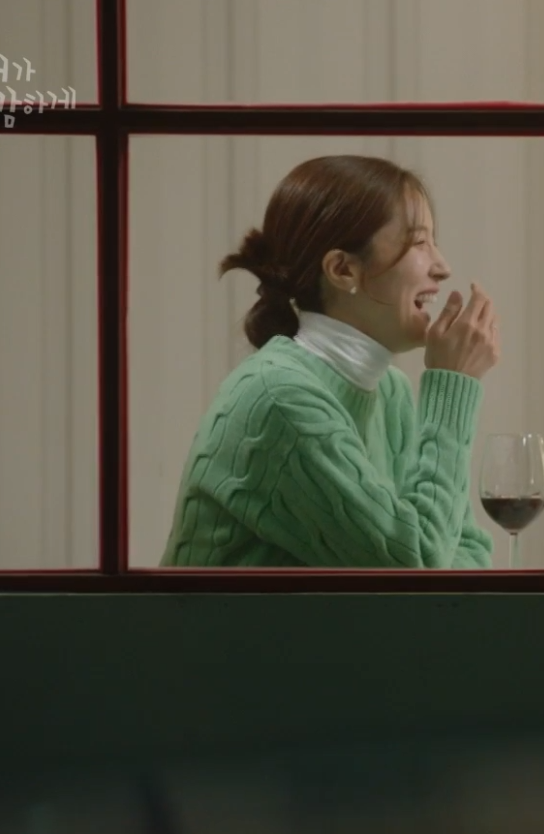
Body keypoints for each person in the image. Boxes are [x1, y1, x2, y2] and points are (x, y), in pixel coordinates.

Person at [161, 155, 499, 568]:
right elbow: (419, 568)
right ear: (342, 269)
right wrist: (452, 387)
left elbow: (470, 553)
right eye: (418, 243)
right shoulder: (280, 399)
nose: (442, 267)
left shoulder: (389, 392)